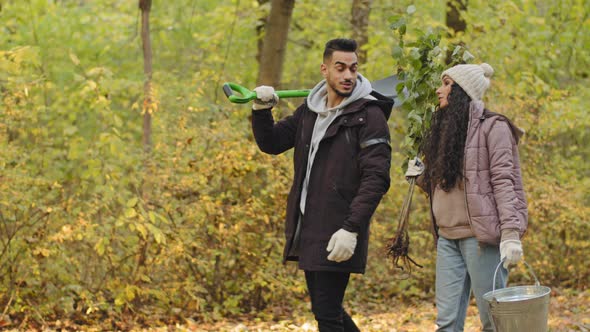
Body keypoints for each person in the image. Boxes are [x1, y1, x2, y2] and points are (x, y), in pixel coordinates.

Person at [251, 38, 393, 331]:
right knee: (327, 310)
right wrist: (262, 110)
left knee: (327, 313)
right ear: (324, 69)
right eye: (340, 68)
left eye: (353, 69)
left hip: (340, 228)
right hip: (309, 226)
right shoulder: (310, 112)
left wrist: (352, 228)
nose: (348, 76)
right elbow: (273, 143)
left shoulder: (369, 116)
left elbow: (376, 178)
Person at [405, 63, 528, 331]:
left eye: (447, 83)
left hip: (480, 240)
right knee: (446, 323)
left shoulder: (493, 128)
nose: (440, 90)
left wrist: (510, 233)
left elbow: (505, 183)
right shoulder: (444, 131)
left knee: (494, 322)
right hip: (447, 238)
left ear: (463, 90)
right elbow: (447, 186)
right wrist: (421, 176)